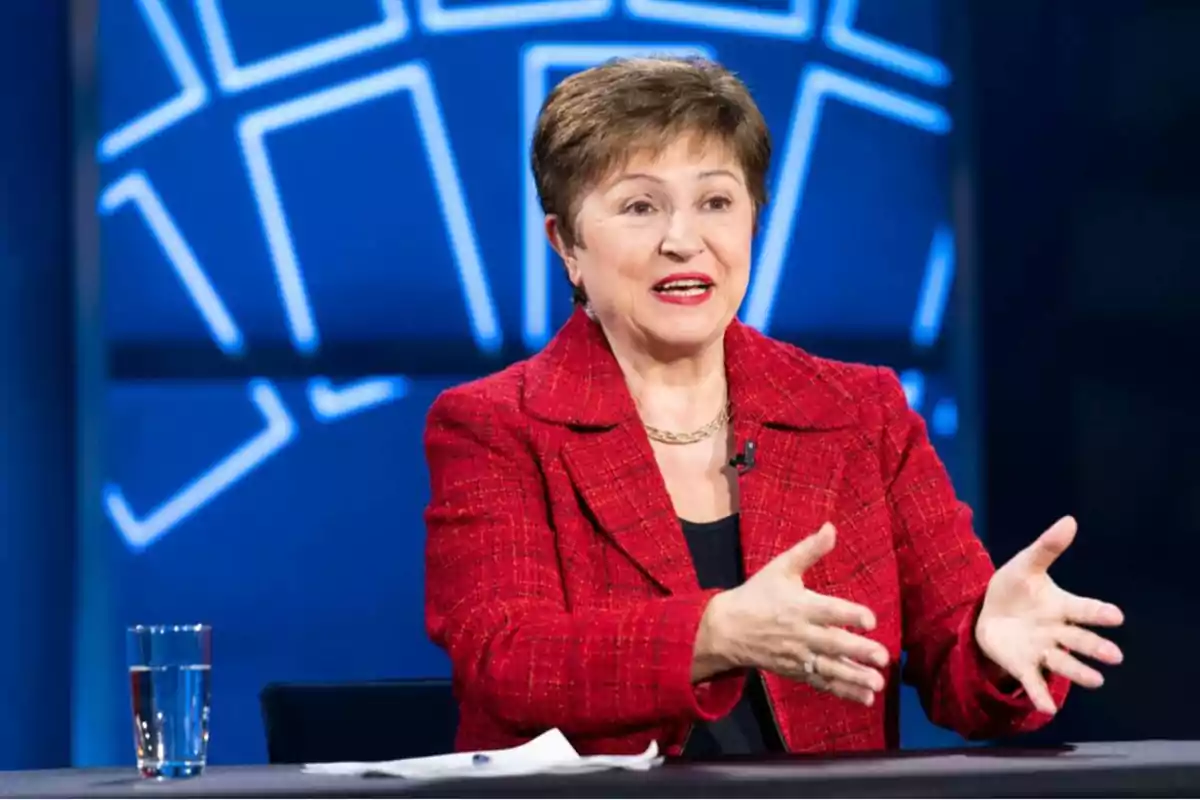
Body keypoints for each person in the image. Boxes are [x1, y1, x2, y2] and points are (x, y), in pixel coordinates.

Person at [422, 56, 1124, 757]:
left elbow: (961, 675)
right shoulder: (496, 425)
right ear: (566, 245)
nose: (682, 239)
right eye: (640, 206)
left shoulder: (860, 412)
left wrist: (994, 647)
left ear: (754, 219)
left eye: (716, 202)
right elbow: (506, 662)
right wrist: (716, 632)